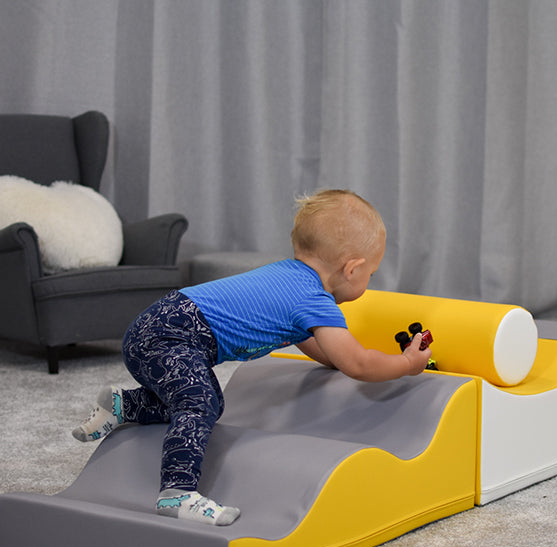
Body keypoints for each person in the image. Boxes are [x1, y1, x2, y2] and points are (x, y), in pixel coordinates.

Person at [72, 189, 432, 526]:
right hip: (172, 334)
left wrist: (337, 358)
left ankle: (124, 406)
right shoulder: (312, 300)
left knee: (193, 400)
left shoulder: (288, 278)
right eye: (371, 273)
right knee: (201, 404)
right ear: (352, 269)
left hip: (156, 324)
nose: (368, 280)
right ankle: (177, 493)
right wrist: (407, 364)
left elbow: (321, 349)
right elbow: (359, 363)